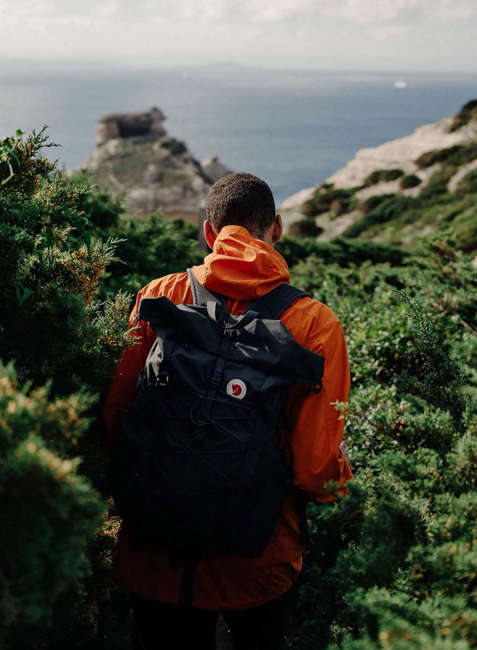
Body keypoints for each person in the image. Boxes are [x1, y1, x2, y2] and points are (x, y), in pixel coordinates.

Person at [102, 172, 352, 650]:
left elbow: (117, 415)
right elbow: (315, 469)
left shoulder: (160, 296)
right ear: (277, 228)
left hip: (153, 551)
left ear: (209, 233)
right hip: (258, 562)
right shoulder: (315, 324)